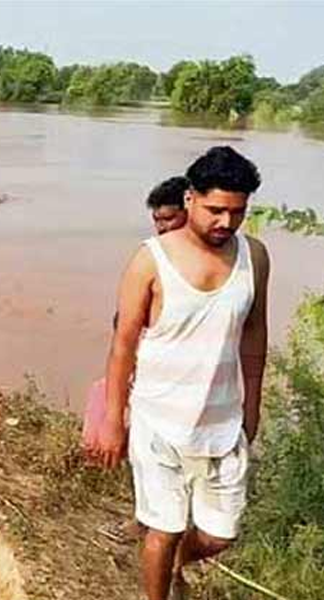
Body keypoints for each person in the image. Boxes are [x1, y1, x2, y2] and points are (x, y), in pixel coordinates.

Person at [99, 146, 269, 600]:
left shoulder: (255, 256)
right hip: (160, 420)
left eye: (238, 212)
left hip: (222, 421)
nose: (226, 223)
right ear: (190, 198)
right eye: (216, 210)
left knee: (219, 535)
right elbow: (122, 345)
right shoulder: (150, 259)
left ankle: (175, 565)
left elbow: (255, 335)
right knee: (164, 528)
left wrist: (252, 407)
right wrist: (113, 420)